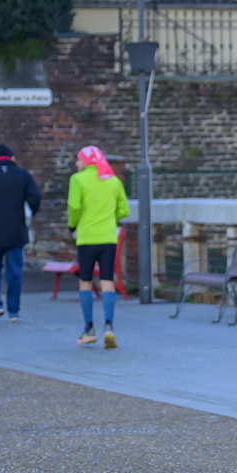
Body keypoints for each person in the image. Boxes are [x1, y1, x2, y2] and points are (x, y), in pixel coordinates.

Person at [67, 145, 130, 347]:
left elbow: (74, 207)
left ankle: (89, 329)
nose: (76, 163)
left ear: (86, 162)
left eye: (79, 159)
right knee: (107, 281)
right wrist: (109, 217)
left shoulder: (77, 180)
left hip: (87, 238)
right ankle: (109, 327)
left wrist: (73, 224)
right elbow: (124, 210)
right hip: (108, 238)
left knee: (85, 281)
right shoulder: (113, 181)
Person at [0, 144, 42, 323]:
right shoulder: (23, 175)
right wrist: (27, 215)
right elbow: (35, 197)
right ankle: (14, 311)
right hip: (16, 231)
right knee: (14, 271)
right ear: (12, 158)